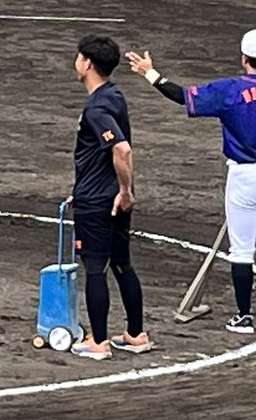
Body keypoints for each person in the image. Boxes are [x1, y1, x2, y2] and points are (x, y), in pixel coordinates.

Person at [126, 29, 256, 335]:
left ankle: (245, 317)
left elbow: (182, 96)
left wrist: (150, 73)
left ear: (244, 58)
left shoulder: (230, 90)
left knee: (242, 250)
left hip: (244, 176)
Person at [69, 35, 152, 361]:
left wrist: (125, 190)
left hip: (99, 200)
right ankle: (135, 334)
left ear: (87, 63)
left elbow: (121, 148)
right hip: (112, 197)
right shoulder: (114, 95)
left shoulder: (97, 108)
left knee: (94, 268)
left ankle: (99, 342)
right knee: (121, 264)